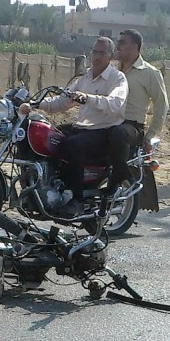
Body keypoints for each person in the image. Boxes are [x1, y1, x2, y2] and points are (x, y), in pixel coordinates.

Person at [37, 36, 127, 217]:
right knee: (49, 134)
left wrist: (87, 98)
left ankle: (77, 200)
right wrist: (36, 103)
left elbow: (115, 103)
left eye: (102, 53)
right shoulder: (85, 77)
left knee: (74, 144)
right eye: (94, 52)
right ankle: (52, 185)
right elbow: (63, 101)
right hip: (83, 128)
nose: (97, 56)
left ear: (111, 56)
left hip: (104, 131)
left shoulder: (117, 78)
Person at [110, 28, 168, 190]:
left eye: (122, 43)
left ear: (134, 47)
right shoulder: (112, 71)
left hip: (131, 127)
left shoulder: (150, 73)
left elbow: (162, 105)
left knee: (119, 133)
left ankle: (123, 181)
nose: (117, 46)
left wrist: (149, 136)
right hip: (108, 122)